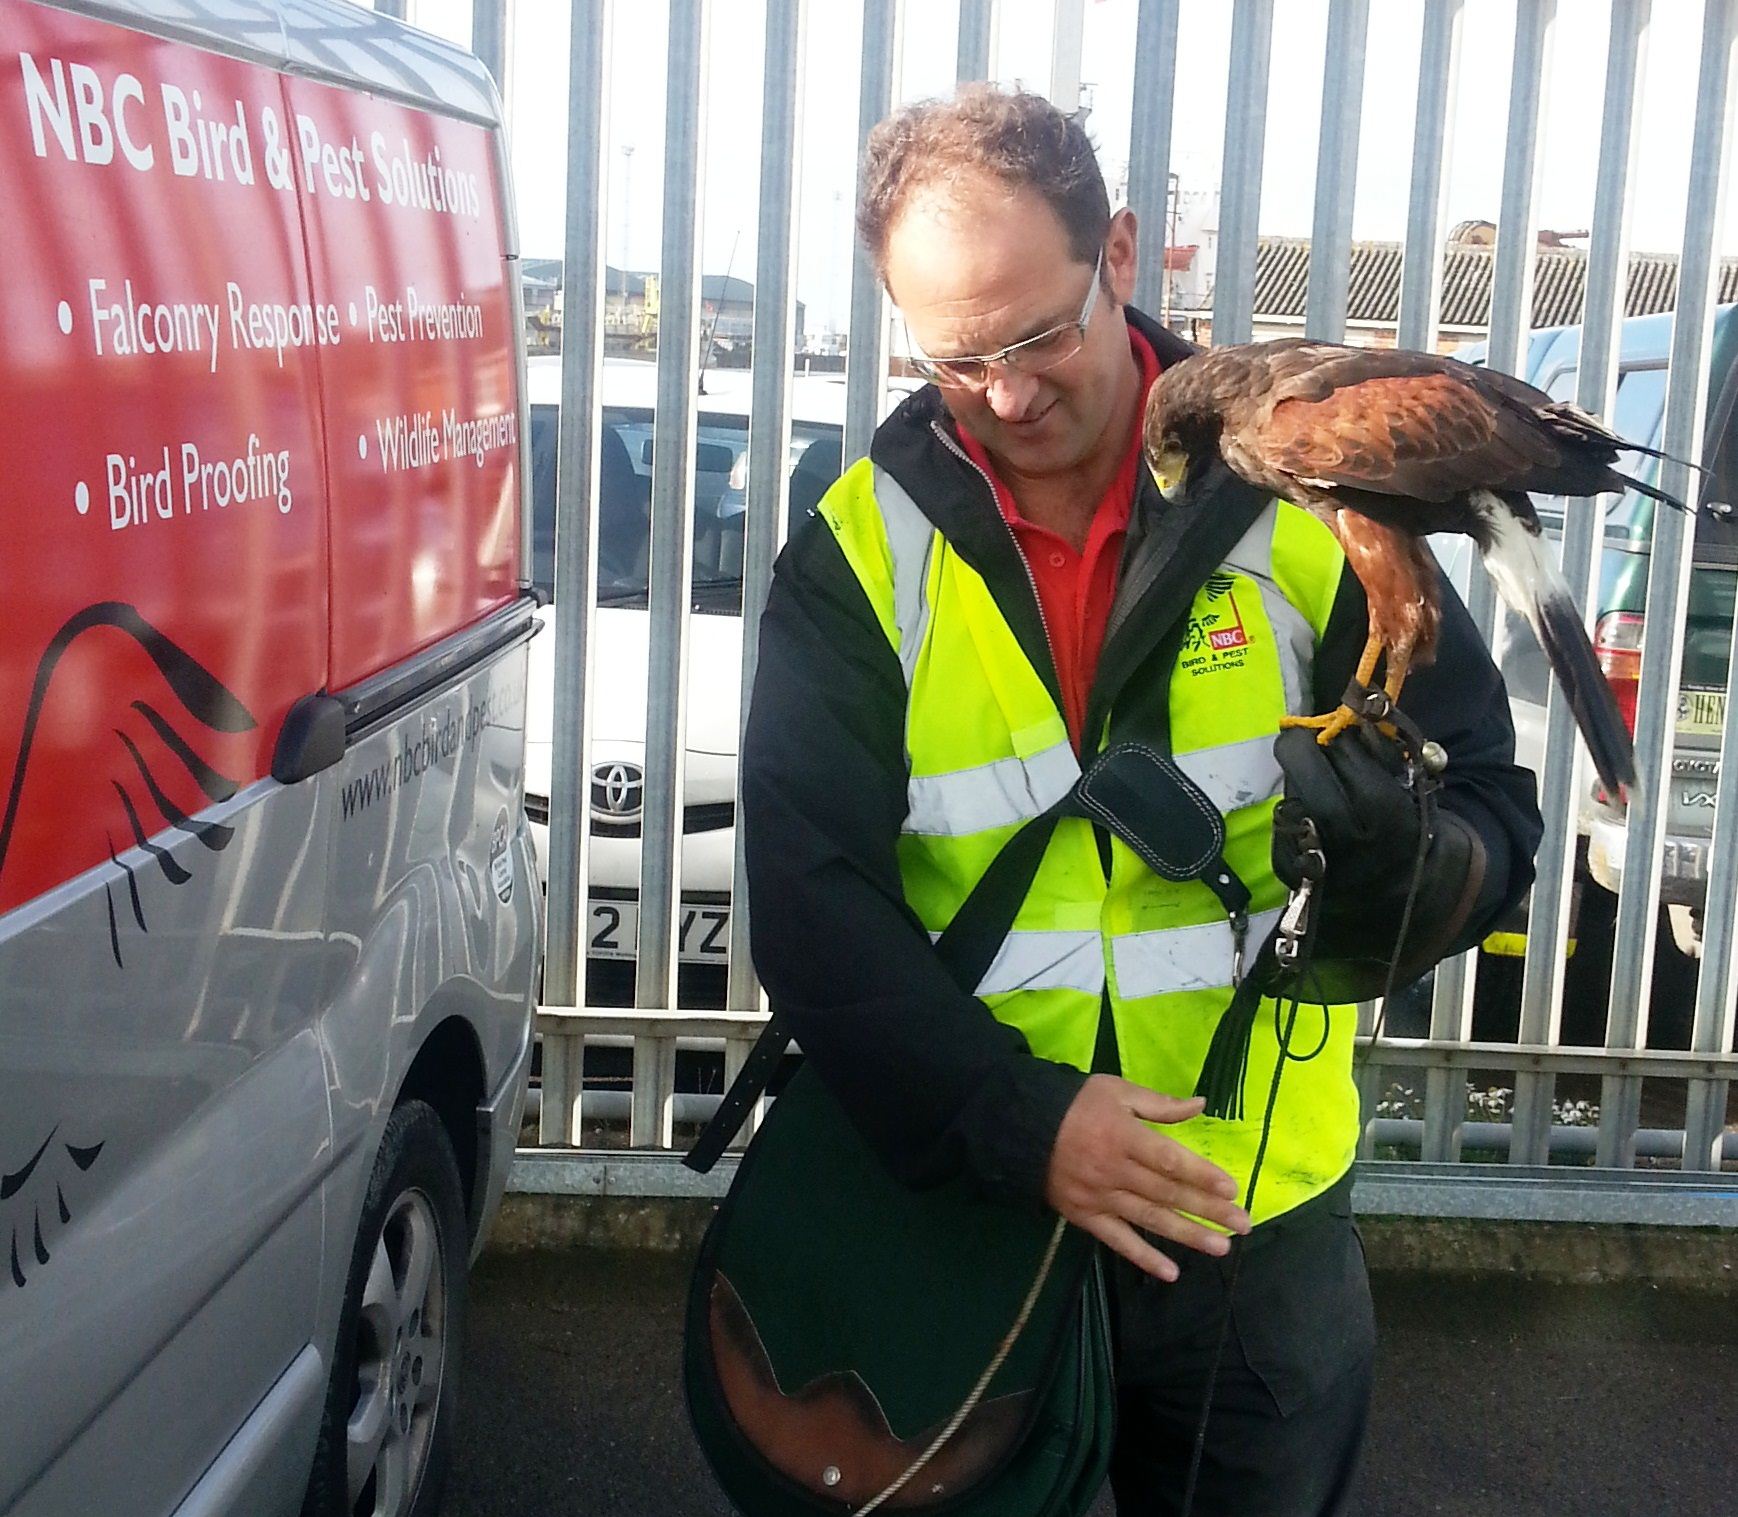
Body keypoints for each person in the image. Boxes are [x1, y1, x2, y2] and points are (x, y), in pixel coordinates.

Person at [740, 86, 1541, 1516]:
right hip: (968, 1205)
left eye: (1036, 332)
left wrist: (1409, 880)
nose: (1001, 392)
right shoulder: (856, 545)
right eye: (952, 356)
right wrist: (1023, 1122)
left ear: (1119, 253)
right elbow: (808, 908)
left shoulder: (1302, 490)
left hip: (1255, 1231)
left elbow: (1492, 804)